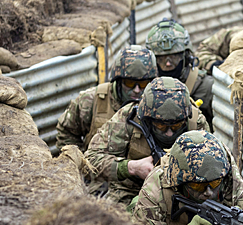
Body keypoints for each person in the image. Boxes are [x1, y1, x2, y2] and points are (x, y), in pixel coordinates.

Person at [84, 77, 210, 206]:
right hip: (131, 190)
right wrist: (131, 167)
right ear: (147, 119)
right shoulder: (128, 117)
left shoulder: (196, 122)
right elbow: (90, 161)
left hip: (183, 195)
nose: (169, 133)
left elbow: (211, 167)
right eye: (161, 126)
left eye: (176, 126)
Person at [56, 45, 157, 152]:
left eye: (143, 84)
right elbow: (66, 132)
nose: (137, 90)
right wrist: (80, 161)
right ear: (118, 80)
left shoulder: (157, 103)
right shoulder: (91, 100)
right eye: (130, 83)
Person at [145, 19, 215, 130]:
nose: (168, 63)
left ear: (186, 56)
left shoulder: (205, 87)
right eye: (161, 58)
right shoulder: (144, 88)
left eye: (174, 57)